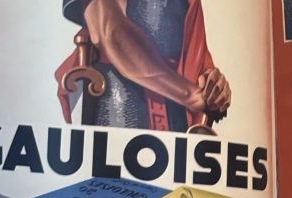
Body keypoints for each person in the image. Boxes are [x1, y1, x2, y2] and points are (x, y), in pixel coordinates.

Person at [56, 0, 232, 132]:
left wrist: (213, 88)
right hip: (118, 103)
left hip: (177, 115)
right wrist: (191, 94)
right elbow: (109, 30)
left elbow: (190, 45)